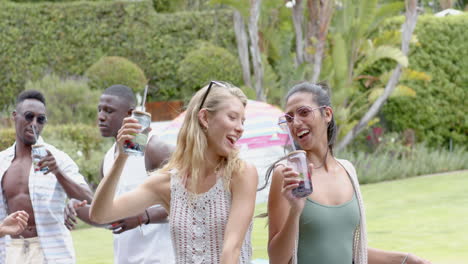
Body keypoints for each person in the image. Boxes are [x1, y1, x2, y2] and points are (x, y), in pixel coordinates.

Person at [90, 81, 258, 263]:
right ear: (205, 118)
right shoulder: (168, 183)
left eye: (242, 121)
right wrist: (122, 157)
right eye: (232, 117)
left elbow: (231, 250)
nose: (240, 127)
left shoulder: (241, 173)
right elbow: (100, 214)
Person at [266, 82, 432, 264]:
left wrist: (405, 259)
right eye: (289, 118)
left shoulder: (347, 170)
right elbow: (277, 259)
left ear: (327, 114)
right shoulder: (286, 173)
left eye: (304, 112)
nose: (295, 123)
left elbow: (347, 249)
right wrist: (295, 211)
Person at [65, 84, 175, 263]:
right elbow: (107, 217)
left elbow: (188, 199)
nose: (101, 117)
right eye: (99, 110)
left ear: (129, 114)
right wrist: (78, 207)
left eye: (109, 111)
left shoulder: (154, 149)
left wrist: (143, 217)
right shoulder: (108, 160)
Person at [0, 90, 93, 263]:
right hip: (11, 251)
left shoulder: (59, 159)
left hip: (50, 252)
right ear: (14, 116)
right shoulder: (2, 163)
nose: (34, 123)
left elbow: (88, 198)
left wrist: (58, 172)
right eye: (29, 116)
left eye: (40, 119)